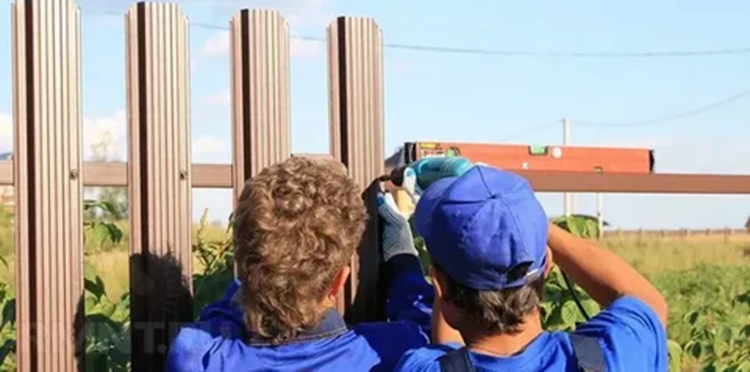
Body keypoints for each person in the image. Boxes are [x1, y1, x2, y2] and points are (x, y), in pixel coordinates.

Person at [166, 156, 435, 371]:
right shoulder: (392, 351)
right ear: (339, 281)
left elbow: (223, 313)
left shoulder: (199, 357)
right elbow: (427, 319)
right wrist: (400, 252)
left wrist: (261, 262)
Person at [395, 164, 669, 372]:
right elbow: (648, 303)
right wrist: (528, 225)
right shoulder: (617, 354)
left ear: (439, 286)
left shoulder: (419, 368)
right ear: (547, 263)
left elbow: (452, 354)